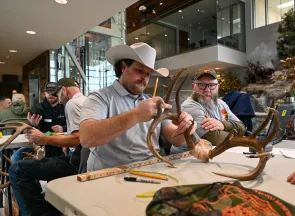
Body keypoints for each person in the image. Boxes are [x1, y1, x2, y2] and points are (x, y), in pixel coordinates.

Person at [80, 42, 196, 171]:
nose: (144, 78)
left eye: (148, 74)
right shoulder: (100, 97)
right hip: (109, 174)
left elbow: (177, 140)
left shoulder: (153, 103)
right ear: (124, 67)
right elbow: (86, 138)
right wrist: (136, 115)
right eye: (139, 70)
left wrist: (186, 128)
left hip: (152, 169)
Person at [9, 78, 86, 216]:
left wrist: (45, 138)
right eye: (50, 94)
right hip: (81, 157)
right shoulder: (85, 101)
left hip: (80, 163)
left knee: (17, 169)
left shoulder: (71, 104)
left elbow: (77, 139)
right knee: (21, 159)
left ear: (64, 90)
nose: (57, 99)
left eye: (57, 95)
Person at [171, 68, 246, 153]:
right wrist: (240, 137)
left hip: (212, 153)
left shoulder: (221, 104)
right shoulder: (190, 106)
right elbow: (215, 139)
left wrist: (223, 125)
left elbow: (242, 127)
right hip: (185, 158)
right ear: (193, 86)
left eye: (212, 85)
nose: (207, 90)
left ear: (218, 87)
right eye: (201, 85)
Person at [11, 82, 67, 161]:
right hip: (41, 143)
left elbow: (72, 125)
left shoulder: (65, 107)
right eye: (48, 92)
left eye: (53, 92)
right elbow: (32, 130)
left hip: (61, 142)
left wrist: (63, 128)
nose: (51, 95)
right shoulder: (37, 108)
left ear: (58, 93)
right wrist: (33, 125)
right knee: (16, 157)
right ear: (45, 93)